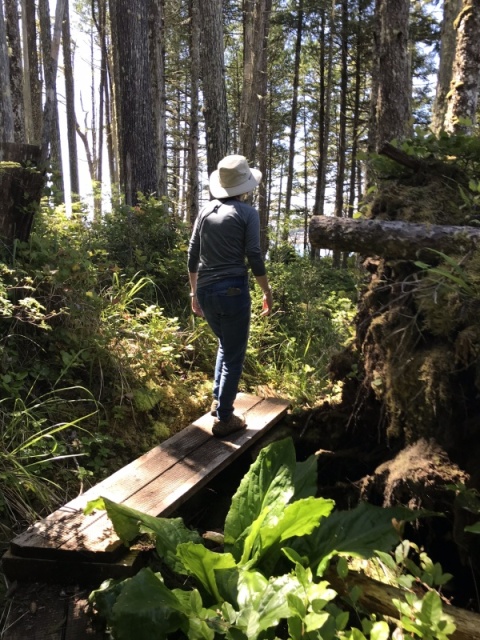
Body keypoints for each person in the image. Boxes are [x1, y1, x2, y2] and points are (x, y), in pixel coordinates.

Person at [187, 155, 273, 437]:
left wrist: (193, 292)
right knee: (234, 355)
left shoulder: (205, 211)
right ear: (245, 186)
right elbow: (254, 255)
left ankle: (218, 402)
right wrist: (266, 291)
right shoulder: (248, 213)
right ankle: (225, 418)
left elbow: (192, 254)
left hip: (205, 289)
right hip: (233, 290)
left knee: (226, 343)